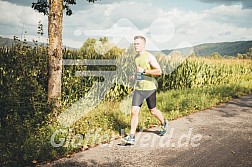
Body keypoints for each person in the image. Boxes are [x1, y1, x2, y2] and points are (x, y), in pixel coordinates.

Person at [121, 35, 168, 145]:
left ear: (144, 45)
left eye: (138, 44)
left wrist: (145, 70)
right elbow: (139, 72)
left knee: (153, 111)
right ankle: (131, 137)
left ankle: (164, 122)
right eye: (134, 44)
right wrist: (134, 76)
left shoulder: (149, 57)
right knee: (134, 112)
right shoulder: (136, 58)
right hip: (139, 89)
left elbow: (159, 71)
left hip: (149, 89)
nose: (135, 46)